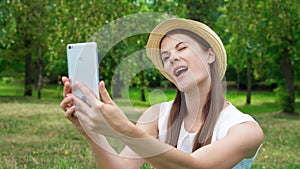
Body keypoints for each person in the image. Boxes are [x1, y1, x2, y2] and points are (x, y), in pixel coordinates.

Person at [60, 18, 264, 169]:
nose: (172, 58)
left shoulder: (245, 129)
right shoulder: (157, 115)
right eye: (166, 57)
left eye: (182, 48)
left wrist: (121, 129)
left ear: (210, 54)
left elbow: (195, 166)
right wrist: (91, 131)